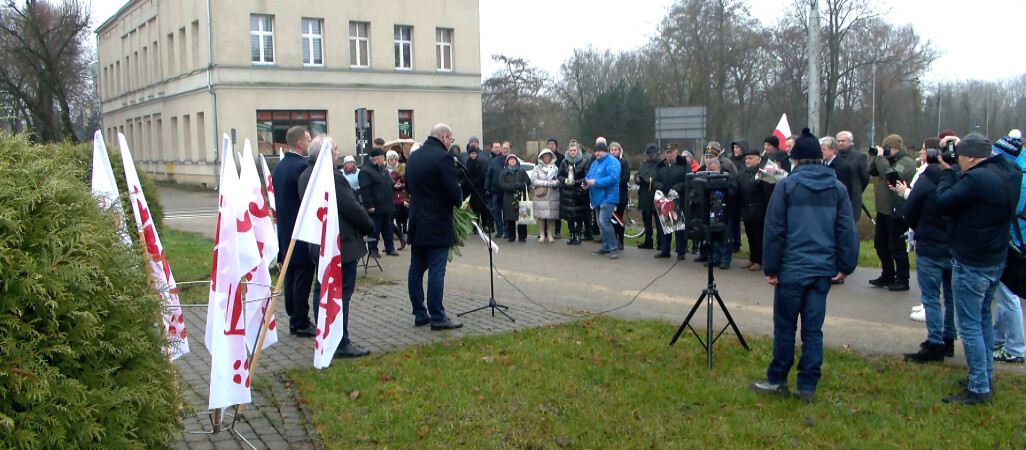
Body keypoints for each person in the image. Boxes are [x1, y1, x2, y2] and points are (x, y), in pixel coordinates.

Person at [751, 127, 859, 404]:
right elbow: (846, 229)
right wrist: (845, 265)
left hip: (792, 269)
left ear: (796, 160)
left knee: (785, 328)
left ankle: (777, 379)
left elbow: (774, 229)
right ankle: (807, 385)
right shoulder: (837, 188)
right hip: (821, 270)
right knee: (813, 330)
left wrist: (770, 267)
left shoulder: (786, 186)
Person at [935, 132, 1022, 404]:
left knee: (970, 325)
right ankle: (984, 375)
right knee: (983, 317)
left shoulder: (976, 179)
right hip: (996, 257)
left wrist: (948, 173)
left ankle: (978, 388)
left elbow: (943, 202)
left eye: (959, 155)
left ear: (970, 157)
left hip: (972, 260)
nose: (956, 160)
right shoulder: (1010, 171)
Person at [297, 136, 375, 358]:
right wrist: (369, 225)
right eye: (334, 150)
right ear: (325, 154)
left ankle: (326, 334)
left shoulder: (305, 175)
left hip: (318, 243)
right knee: (340, 294)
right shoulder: (332, 177)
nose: (337, 154)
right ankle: (340, 341)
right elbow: (351, 207)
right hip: (340, 245)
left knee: (322, 289)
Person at [896, 137, 956, 362]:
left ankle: (935, 342)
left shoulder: (926, 178)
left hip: (930, 245)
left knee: (931, 297)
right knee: (950, 296)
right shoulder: (961, 178)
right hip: (952, 245)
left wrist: (917, 225)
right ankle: (949, 337)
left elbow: (909, 211)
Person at [406, 123, 464, 330]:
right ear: (444, 138)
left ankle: (420, 313)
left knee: (416, 268)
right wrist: (458, 197)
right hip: (437, 223)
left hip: (417, 222)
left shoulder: (413, 157)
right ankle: (438, 317)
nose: (451, 144)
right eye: (451, 140)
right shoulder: (443, 158)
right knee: (437, 271)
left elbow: (409, 187)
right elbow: (452, 191)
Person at [271, 126, 317, 337]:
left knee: (290, 275)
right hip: (301, 230)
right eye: (308, 140)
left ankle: (293, 318)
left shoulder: (279, 166)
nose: (309, 143)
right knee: (302, 276)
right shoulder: (301, 167)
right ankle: (300, 319)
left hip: (285, 230)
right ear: (300, 143)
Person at [991, 133, 1026, 365]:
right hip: (1012, 238)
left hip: (1012, 240)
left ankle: (1015, 347)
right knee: (1004, 292)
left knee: (1007, 295)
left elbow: (1008, 209)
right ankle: (998, 338)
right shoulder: (1017, 173)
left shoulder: (1018, 180)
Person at [868, 134, 916, 291]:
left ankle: (903, 278)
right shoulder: (885, 161)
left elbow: (893, 176)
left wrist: (881, 159)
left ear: (894, 148)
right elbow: (871, 171)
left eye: (886, 147)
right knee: (880, 245)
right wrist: (876, 158)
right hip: (882, 211)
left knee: (896, 246)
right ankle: (887, 274)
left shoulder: (906, 162)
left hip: (895, 211)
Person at [735, 142, 774, 271]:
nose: (747, 161)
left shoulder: (763, 173)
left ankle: (760, 260)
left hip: (759, 211)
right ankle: (752, 258)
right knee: (750, 236)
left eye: (750, 158)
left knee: (759, 237)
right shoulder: (742, 173)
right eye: (746, 158)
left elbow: (767, 193)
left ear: (758, 159)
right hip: (746, 210)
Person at [696, 154, 734, 267]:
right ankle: (715, 257)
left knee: (725, 235)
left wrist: (723, 191)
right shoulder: (705, 176)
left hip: (726, 210)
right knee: (713, 234)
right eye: (708, 170)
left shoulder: (728, 176)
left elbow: (734, 191)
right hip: (711, 210)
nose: (710, 173)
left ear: (718, 167)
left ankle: (725, 260)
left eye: (712, 170)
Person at [653, 144, 690, 260]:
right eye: (667, 153)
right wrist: (661, 187)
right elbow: (654, 180)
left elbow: (688, 180)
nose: (669, 155)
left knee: (679, 225)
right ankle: (665, 250)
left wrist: (677, 188)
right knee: (665, 224)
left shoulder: (683, 164)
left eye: (671, 152)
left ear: (676, 152)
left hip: (679, 198)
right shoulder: (661, 165)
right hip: (664, 198)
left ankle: (681, 251)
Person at [585, 141, 621, 258]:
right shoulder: (595, 163)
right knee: (600, 223)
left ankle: (613, 247)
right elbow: (589, 176)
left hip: (608, 197)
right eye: (595, 151)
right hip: (597, 197)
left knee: (604, 221)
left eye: (599, 151)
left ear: (605, 151)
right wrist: (586, 183)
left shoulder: (612, 161)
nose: (597, 153)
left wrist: (595, 182)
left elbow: (613, 178)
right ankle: (605, 246)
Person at [359, 147, 397, 258]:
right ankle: (373, 250)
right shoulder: (366, 171)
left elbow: (388, 182)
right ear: (376, 158)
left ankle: (390, 248)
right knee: (374, 230)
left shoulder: (382, 170)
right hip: (375, 207)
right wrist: (369, 205)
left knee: (388, 229)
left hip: (387, 205)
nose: (384, 159)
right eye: (383, 157)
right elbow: (365, 189)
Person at [559, 140, 590, 245]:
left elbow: (586, 177)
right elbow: (559, 175)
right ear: (568, 151)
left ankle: (578, 235)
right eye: (571, 150)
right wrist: (564, 180)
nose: (572, 152)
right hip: (567, 194)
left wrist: (575, 182)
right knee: (569, 217)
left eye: (574, 150)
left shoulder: (583, 162)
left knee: (579, 216)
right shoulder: (564, 162)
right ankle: (571, 234)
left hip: (579, 193)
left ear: (578, 150)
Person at [835, 130, 870, 221]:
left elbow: (865, 177)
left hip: (853, 199)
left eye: (843, 141)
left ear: (850, 141)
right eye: (838, 141)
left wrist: (857, 189)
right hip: (836, 197)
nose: (840, 143)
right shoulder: (834, 157)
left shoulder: (859, 156)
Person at [530, 149, 561, 243]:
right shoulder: (537, 168)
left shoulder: (555, 168)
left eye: (548, 156)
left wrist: (554, 183)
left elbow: (559, 180)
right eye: (545, 156)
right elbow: (534, 180)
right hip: (541, 195)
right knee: (541, 217)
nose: (547, 158)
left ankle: (550, 234)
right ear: (541, 157)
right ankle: (542, 234)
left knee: (551, 216)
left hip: (553, 195)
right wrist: (546, 183)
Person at [498, 153, 531, 242]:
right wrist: (513, 186)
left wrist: (520, 186)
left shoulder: (521, 171)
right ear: (507, 161)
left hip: (521, 198)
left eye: (514, 159)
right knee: (510, 218)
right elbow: (501, 184)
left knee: (522, 217)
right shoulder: (503, 172)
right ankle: (511, 235)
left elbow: (527, 182)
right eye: (510, 159)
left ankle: (522, 236)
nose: (512, 161)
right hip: (509, 198)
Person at [635, 143, 661, 249]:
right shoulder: (643, 163)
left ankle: (660, 242)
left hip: (655, 194)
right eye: (647, 155)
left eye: (651, 155)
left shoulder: (660, 164)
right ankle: (648, 240)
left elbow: (657, 177)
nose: (648, 157)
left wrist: (647, 181)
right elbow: (638, 173)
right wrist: (638, 178)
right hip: (644, 194)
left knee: (658, 220)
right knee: (646, 219)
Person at [821, 136, 854, 213]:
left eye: (823, 150)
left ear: (832, 150)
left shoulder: (843, 167)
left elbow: (846, 191)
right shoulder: (821, 165)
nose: (820, 152)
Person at [609, 142, 631, 251]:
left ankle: (620, 240)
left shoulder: (623, 162)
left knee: (619, 218)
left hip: (620, 195)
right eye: (611, 150)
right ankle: (612, 239)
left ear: (619, 150)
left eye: (615, 150)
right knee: (611, 219)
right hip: (609, 195)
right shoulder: (607, 162)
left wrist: (614, 182)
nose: (613, 152)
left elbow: (626, 177)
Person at [485, 141, 509, 237]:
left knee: (507, 213)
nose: (502, 150)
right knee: (495, 212)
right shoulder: (494, 161)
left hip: (507, 192)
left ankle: (507, 231)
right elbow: (489, 174)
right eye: (502, 148)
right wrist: (486, 188)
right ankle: (500, 230)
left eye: (504, 148)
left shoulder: (511, 159)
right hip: (495, 192)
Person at [462, 144, 489, 231]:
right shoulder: (466, 163)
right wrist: (469, 183)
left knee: (483, 208)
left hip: (479, 189)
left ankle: (485, 225)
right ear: (469, 154)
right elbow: (465, 175)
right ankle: (475, 226)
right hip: (470, 189)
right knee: (474, 209)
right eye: (471, 153)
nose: (473, 155)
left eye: (475, 153)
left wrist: (475, 183)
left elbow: (482, 175)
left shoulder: (480, 163)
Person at [386, 150, 408, 250]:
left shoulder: (400, 171)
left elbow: (405, 183)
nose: (394, 161)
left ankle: (399, 238)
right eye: (391, 160)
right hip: (388, 198)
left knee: (390, 221)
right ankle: (392, 243)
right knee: (388, 222)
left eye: (395, 159)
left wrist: (399, 186)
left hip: (398, 199)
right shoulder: (385, 171)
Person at [546, 137, 565, 239]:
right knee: (544, 209)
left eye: (552, 144)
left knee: (557, 210)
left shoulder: (561, 157)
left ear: (556, 145)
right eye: (549, 144)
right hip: (545, 187)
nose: (551, 146)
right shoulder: (543, 157)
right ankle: (544, 231)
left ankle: (557, 231)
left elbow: (562, 172)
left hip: (557, 187)